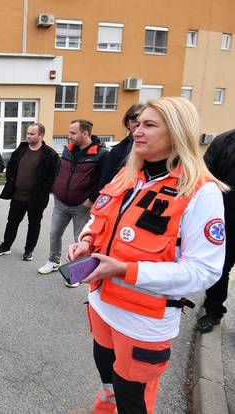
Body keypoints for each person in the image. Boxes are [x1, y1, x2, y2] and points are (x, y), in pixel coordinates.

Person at [67, 97, 226, 414]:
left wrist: (125, 269)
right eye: (137, 124)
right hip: (101, 304)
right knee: (107, 377)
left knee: (132, 398)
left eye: (149, 125)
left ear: (177, 132)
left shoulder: (201, 192)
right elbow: (99, 220)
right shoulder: (127, 175)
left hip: (144, 322)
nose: (137, 131)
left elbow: (204, 271)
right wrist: (86, 240)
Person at [38, 119, 108, 288]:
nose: (69, 136)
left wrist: (92, 199)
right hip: (61, 203)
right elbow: (59, 171)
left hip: (82, 206)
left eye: (73, 133)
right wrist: (56, 187)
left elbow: (104, 180)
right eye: (69, 132)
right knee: (54, 233)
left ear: (85, 133)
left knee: (81, 241)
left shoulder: (101, 154)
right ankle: (53, 261)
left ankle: (76, 273)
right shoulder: (68, 150)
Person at [0, 123, 59, 260]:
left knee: (34, 225)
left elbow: (54, 176)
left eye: (32, 134)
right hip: (17, 196)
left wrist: (44, 188)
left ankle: (29, 250)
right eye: (27, 133)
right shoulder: (21, 149)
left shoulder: (50, 154)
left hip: (36, 198)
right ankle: (5, 247)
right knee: (12, 222)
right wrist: (11, 179)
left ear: (41, 135)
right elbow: (11, 165)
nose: (28, 136)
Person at [196, 128, 235, 333]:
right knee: (220, 270)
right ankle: (213, 312)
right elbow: (204, 175)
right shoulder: (225, 141)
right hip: (225, 220)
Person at [96, 104, 143, 193]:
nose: (138, 124)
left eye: (143, 121)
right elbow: (105, 180)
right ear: (127, 124)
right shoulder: (117, 150)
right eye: (133, 120)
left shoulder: (159, 150)